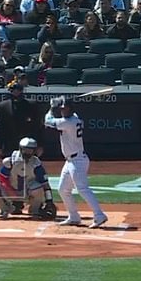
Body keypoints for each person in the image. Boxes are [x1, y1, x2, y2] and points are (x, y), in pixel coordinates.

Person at [45, 96, 108, 229]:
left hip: (77, 161)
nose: (63, 111)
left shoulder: (68, 122)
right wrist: (60, 104)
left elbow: (47, 121)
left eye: (65, 108)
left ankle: (99, 215)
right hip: (71, 161)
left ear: (71, 109)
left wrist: (51, 108)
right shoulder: (74, 118)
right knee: (63, 189)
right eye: (62, 109)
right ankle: (74, 216)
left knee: (83, 189)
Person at [0, 137, 57, 220]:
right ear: (20, 149)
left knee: (37, 187)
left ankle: (35, 210)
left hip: (27, 193)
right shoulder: (10, 161)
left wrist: (49, 201)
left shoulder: (36, 164)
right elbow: (2, 178)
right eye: (25, 150)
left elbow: (45, 184)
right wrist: (10, 190)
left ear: (34, 151)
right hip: (10, 190)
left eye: (30, 150)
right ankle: (5, 208)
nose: (27, 153)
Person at [0, 81, 43, 162]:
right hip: (10, 143)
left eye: (18, 90)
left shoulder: (32, 105)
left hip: (28, 142)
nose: (16, 93)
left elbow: (38, 126)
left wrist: (40, 145)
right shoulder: (3, 106)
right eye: (13, 90)